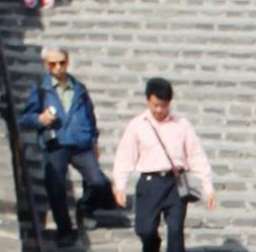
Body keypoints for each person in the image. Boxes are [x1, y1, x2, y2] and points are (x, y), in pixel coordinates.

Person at [18, 46, 109, 245]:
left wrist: (94, 141)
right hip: (56, 145)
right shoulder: (41, 91)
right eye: (53, 64)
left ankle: (84, 207)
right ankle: (65, 230)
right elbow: (24, 118)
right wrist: (40, 119)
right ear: (46, 65)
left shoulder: (79, 88)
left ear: (67, 62)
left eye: (61, 63)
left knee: (98, 182)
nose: (58, 68)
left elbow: (90, 116)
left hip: (80, 144)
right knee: (56, 188)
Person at [112, 77, 214, 252]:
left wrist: (208, 187)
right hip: (150, 183)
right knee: (146, 230)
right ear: (148, 101)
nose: (159, 110)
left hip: (175, 183)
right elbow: (125, 156)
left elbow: (196, 156)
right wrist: (120, 185)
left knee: (175, 230)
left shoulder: (181, 125)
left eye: (164, 105)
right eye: (155, 105)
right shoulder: (138, 125)